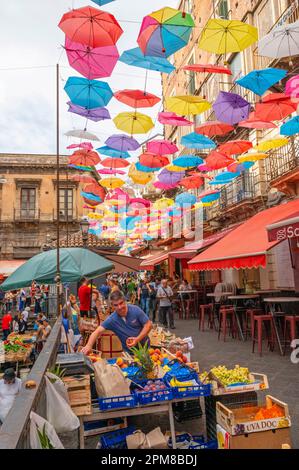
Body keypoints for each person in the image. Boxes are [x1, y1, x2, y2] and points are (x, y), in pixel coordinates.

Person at [81, 290, 152, 355]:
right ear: (112, 306)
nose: (119, 307)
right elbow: (97, 331)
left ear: (125, 301)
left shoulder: (135, 310)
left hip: (146, 349)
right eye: (116, 305)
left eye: (121, 303)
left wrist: (137, 339)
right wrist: (88, 346)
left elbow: (148, 324)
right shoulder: (112, 319)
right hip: (130, 353)